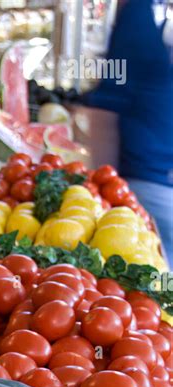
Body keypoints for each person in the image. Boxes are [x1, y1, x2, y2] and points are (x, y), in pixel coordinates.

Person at [82, 0, 173, 265]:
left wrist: (100, 189)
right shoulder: (150, 17)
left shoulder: (137, 17)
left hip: (144, 188)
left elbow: (105, 111)